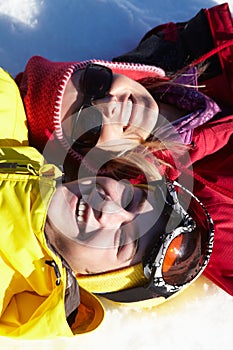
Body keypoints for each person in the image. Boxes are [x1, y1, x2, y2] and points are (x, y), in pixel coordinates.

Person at [0, 66, 214, 339]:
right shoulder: (5, 106)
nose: (108, 209)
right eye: (128, 199)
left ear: (90, 277)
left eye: (124, 240)